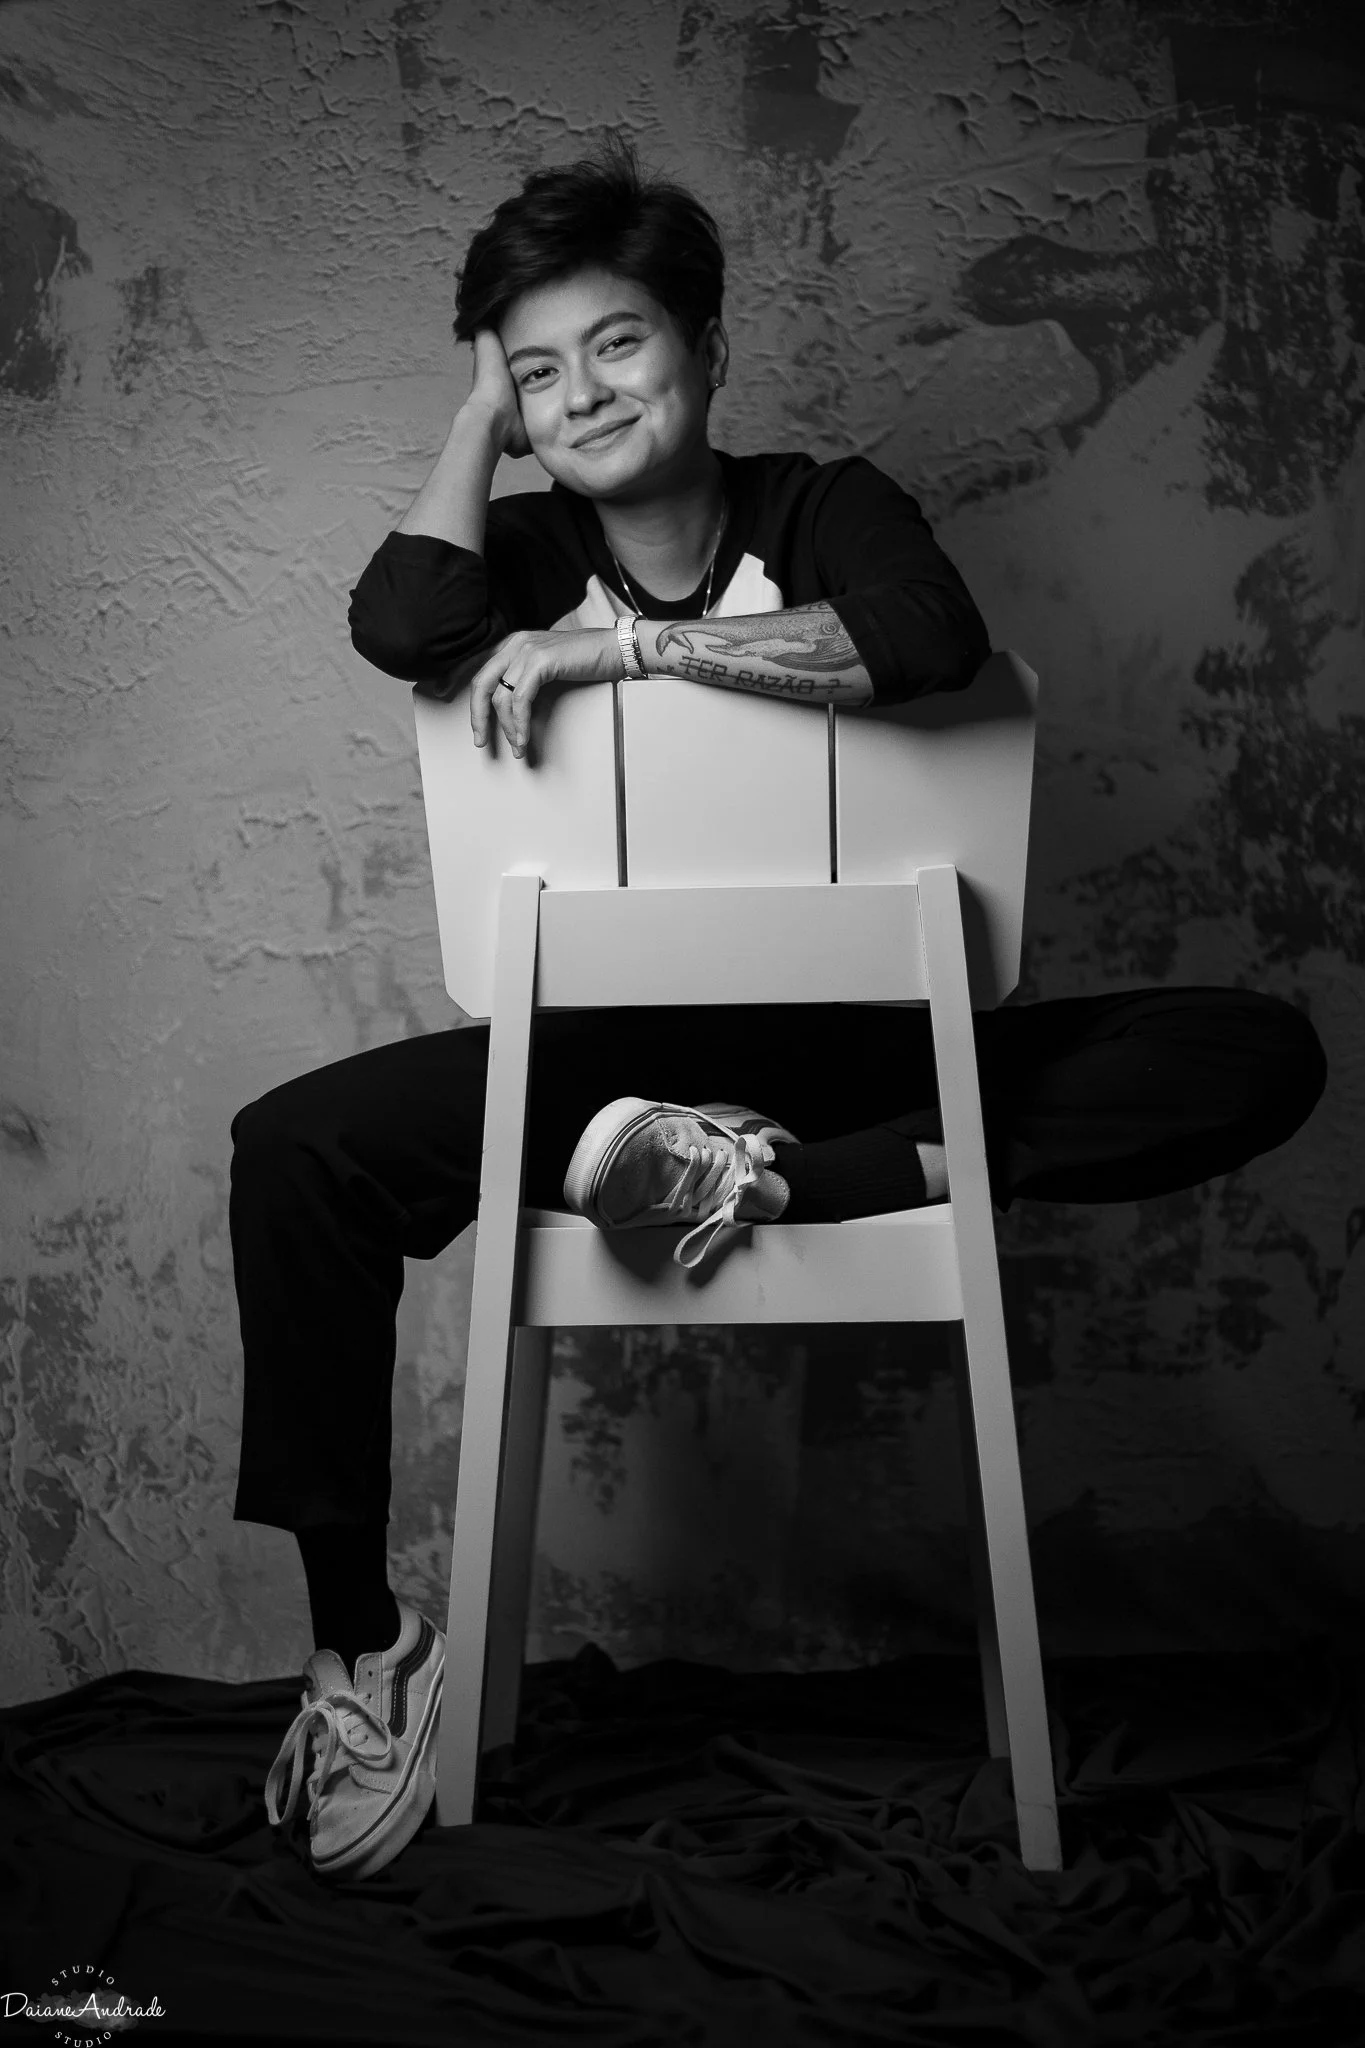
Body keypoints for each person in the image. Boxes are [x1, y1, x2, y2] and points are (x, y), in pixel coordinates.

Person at [237, 135, 1327, 1880]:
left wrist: (641, 649)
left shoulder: (825, 503)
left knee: (1259, 1047)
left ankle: (776, 1179)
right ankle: (362, 1650)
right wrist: (474, 417)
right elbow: (402, 622)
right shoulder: (514, 555)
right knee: (293, 1150)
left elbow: (927, 638)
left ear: (705, 346)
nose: (581, 393)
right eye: (539, 370)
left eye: (617, 344)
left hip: (875, 1069)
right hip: (601, 1079)